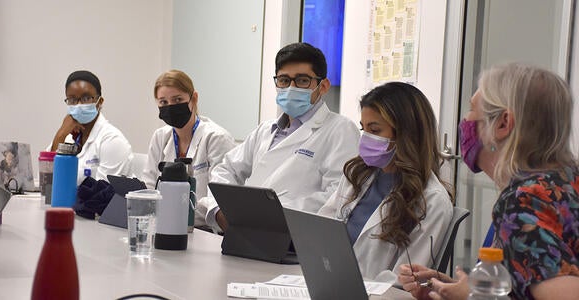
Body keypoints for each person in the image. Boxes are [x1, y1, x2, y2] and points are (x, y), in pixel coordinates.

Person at [398, 63, 579, 300]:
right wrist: (457, 289)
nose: (465, 121)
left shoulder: (523, 201)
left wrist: (472, 296)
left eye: (473, 110)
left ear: (503, 123)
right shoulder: (566, 180)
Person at [197, 42, 360, 232]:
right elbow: (226, 170)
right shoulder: (265, 130)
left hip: (294, 239)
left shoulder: (340, 129)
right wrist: (219, 209)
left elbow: (338, 195)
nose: (291, 87)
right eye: (283, 80)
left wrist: (274, 213)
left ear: (323, 86)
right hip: (244, 233)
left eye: (302, 80)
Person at [318, 82, 453, 281]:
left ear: (406, 134)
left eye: (375, 130)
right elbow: (321, 231)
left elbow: (405, 282)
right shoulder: (357, 175)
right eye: (363, 129)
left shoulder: (432, 201)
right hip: (331, 283)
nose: (365, 138)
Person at [143, 69, 236, 225]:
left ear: (194, 99)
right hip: (165, 223)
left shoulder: (216, 138)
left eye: (177, 100)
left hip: (205, 229)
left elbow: (220, 201)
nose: (170, 107)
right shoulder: (160, 137)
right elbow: (149, 186)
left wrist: (175, 208)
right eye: (163, 102)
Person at [50, 70, 133, 185]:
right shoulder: (67, 136)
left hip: (101, 203)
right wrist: (61, 134)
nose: (79, 105)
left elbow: (102, 193)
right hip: (67, 201)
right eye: (72, 100)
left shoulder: (112, 140)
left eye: (86, 98)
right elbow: (48, 177)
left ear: (100, 102)